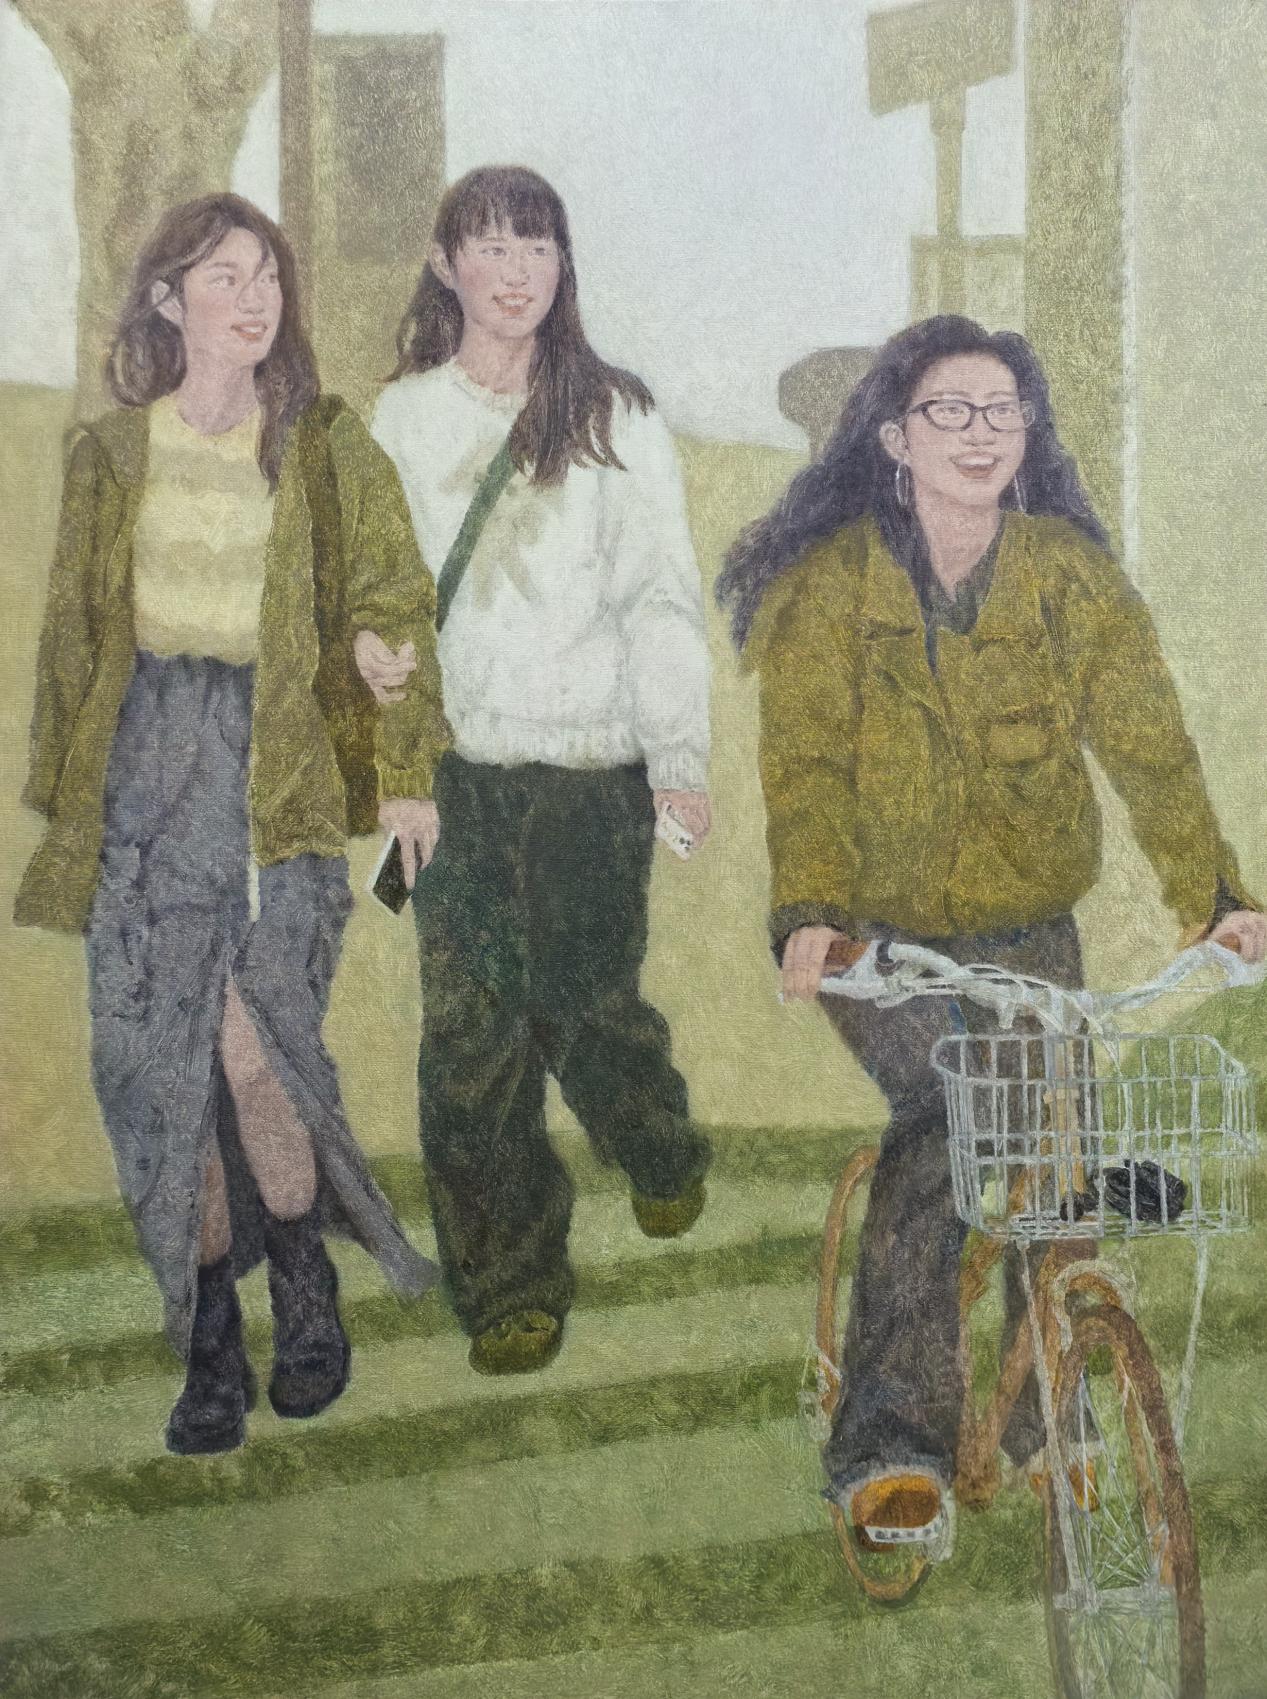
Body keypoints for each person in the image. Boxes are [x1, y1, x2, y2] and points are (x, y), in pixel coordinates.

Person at [716, 314, 1264, 1550]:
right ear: (894, 437)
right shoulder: (828, 589)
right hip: (877, 940)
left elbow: (1148, 745)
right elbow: (804, 770)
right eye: (948, 411)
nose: (977, 433)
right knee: (949, 1115)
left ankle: (1048, 1414)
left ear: (1027, 435)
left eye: (1000, 411)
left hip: (1028, 928)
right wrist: (812, 918)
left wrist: (1216, 895)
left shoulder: (1067, 575)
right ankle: (890, 1443)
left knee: (1057, 1142)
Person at [15, 193, 451, 1456]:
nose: (254, 299)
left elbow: (393, 600)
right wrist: (73, 819)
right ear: (168, 300)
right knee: (165, 1074)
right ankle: (211, 1331)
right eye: (223, 276)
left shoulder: (323, 444)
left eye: (267, 275)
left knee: (260, 1053)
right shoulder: (110, 455)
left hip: (278, 779)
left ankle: (305, 1284)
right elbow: (72, 642)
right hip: (147, 783)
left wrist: (397, 741)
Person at [365, 165, 712, 1377]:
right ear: (444, 262)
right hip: (459, 775)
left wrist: (677, 760)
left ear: (563, 267)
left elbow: (661, 598)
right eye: (491, 246)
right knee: (473, 1039)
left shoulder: (616, 414)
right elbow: (378, 601)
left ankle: (654, 1141)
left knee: (588, 1003)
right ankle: (508, 1284)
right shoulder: (401, 420)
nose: (515, 273)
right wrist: (391, 744)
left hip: (592, 770)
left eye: (537, 248)